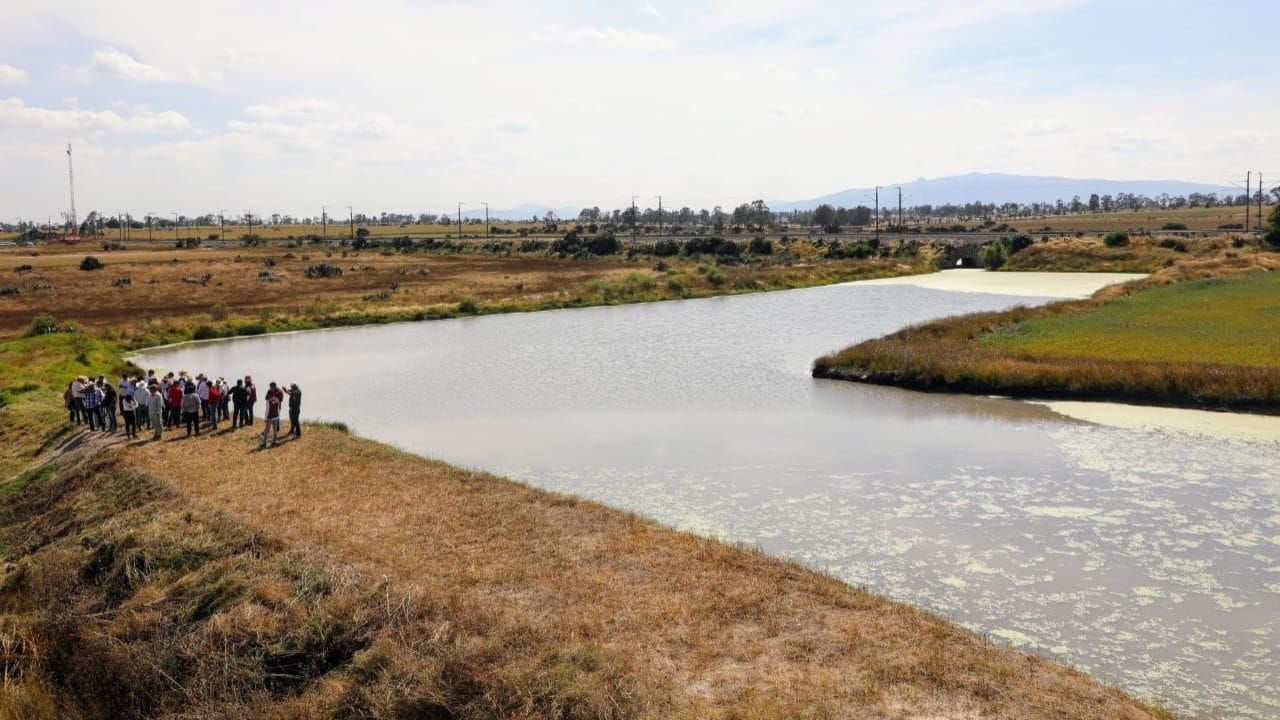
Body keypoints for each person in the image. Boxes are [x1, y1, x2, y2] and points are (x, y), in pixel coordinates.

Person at [259, 382, 282, 448]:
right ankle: (274, 442)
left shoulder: (268, 401)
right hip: (275, 417)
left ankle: (264, 443)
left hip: (270, 417)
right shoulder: (277, 399)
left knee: (266, 430)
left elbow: (267, 410)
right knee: (275, 430)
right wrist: (278, 417)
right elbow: (278, 409)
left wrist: (265, 418)